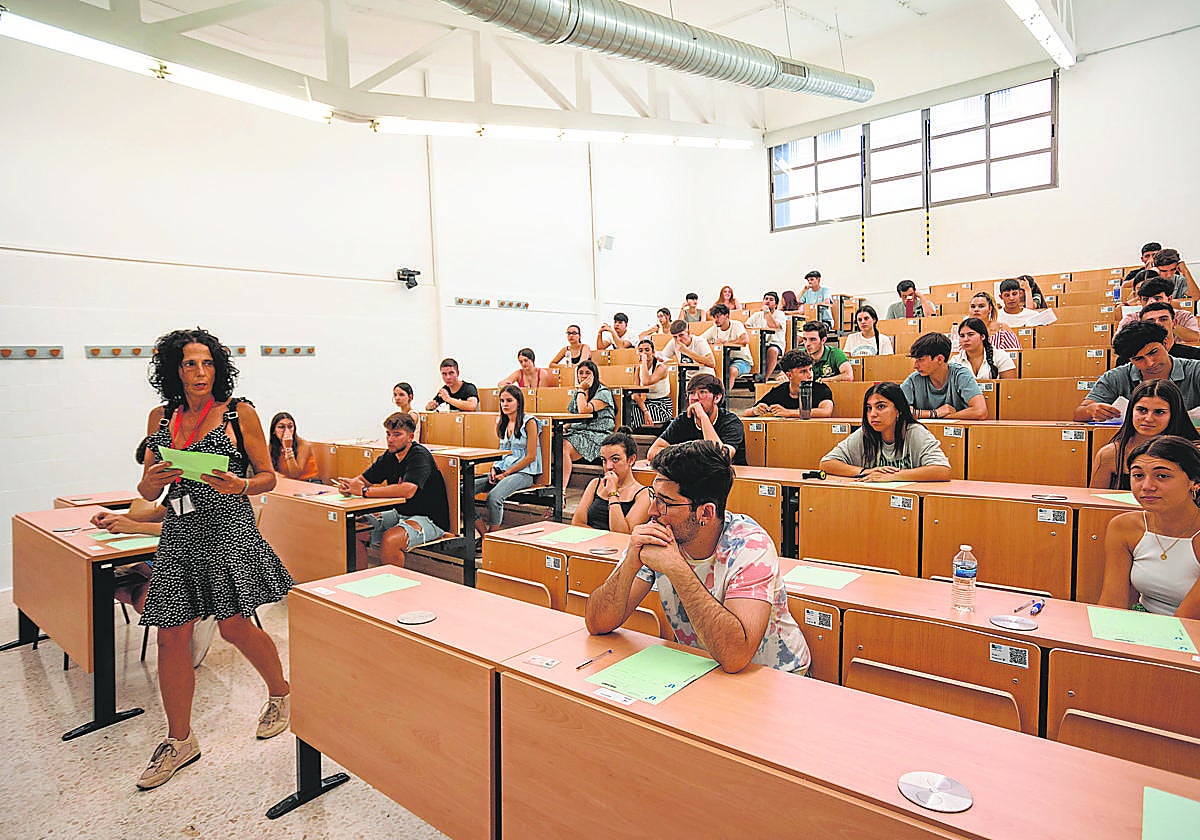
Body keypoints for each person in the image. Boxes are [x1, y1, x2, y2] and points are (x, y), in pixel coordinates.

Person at [134, 328, 293, 790]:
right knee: (170, 637)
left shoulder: (239, 413)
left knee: (234, 626)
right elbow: (147, 489)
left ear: (218, 367)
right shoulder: (161, 417)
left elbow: (268, 477)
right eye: (189, 364)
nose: (199, 373)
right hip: (181, 531)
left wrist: (240, 484)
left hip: (226, 526)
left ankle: (281, 692)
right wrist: (152, 480)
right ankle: (179, 739)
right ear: (174, 370)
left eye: (206, 363)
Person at [584, 440, 810, 674]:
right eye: (654, 496)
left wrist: (677, 569)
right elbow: (597, 623)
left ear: (706, 512)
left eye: (665, 502)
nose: (652, 510)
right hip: (707, 668)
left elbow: (736, 656)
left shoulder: (750, 547)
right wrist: (631, 562)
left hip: (776, 675)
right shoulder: (660, 533)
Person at [1099, 436, 1200, 619]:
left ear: (1194, 482)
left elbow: (1186, 621)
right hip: (1146, 627)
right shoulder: (1124, 527)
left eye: (1162, 476)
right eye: (1138, 475)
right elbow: (1112, 604)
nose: (1146, 486)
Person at [337, 412, 450, 568]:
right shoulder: (390, 456)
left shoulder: (419, 456)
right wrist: (349, 486)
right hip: (400, 512)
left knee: (390, 540)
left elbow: (408, 490)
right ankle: (359, 579)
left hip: (430, 518)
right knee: (355, 530)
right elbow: (364, 479)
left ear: (410, 437)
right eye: (388, 434)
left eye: (397, 434)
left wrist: (364, 491)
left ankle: (394, 588)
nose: (390, 439)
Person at [820, 382, 952, 482]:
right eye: (869, 408)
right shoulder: (865, 433)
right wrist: (864, 471)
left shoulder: (915, 432)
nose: (872, 414)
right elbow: (827, 463)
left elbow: (942, 470)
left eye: (881, 406)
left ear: (898, 410)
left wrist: (894, 476)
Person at [1075, 321, 1200, 422]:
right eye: (1138, 359)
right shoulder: (1115, 377)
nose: (1150, 362)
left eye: (1153, 352)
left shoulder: (1196, 370)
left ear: (1166, 344)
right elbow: (1079, 414)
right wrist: (1091, 410)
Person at [1089, 381, 1199, 490]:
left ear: (1174, 415)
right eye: (1142, 410)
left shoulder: (1193, 453)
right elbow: (1095, 503)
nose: (1148, 418)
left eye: (1159, 412)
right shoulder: (1110, 454)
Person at [473, 386, 542, 536]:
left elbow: (531, 456)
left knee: (494, 497)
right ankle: (484, 535)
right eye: (502, 401)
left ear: (519, 402)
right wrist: (494, 469)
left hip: (524, 473)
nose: (505, 404)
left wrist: (506, 474)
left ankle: (493, 536)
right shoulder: (503, 423)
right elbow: (502, 454)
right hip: (503, 471)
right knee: (462, 491)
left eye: (509, 400)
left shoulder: (529, 422)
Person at [648, 373, 746, 465]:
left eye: (702, 392)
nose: (694, 398)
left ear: (717, 398)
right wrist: (688, 457)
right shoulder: (684, 419)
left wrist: (703, 417)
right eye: (691, 393)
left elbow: (721, 457)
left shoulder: (731, 422)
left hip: (728, 477)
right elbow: (653, 453)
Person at [572, 428, 652, 533]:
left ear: (631, 460)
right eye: (604, 460)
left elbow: (621, 534)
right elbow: (577, 523)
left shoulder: (643, 494)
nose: (608, 467)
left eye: (615, 459)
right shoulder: (595, 484)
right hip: (590, 545)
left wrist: (612, 494)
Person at [901, 332, 988, 420]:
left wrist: (946, 417)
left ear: (939, 359)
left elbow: (980, 411)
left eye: (920, 360)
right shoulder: (914, 379)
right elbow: (898, 411)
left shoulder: (960, 374)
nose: (915, 366)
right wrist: (935, 413)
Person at [562, 361, 616, 490]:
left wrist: (582, 389)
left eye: (588, 373)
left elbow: (583, 410)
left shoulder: (603, 392)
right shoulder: (579, 393)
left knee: (563, 446)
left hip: (598, 434)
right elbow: (573, 414)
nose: (584, 376)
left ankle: (561, 491)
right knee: (550, 444)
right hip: (579, 432)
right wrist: (565, 427)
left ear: (594, 375)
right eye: (581, 373)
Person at [745, 350, 833, 418]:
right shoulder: (779, 391)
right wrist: (755, 410)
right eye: (803, 371)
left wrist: (788, 412)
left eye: (810, 369)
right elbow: (746, 412)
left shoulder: (821, 389)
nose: (810, 375)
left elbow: (826, 411)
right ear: (789, 375)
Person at [1116, 277, 1200, 343]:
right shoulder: (1131, 318)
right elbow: (1116, 341)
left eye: (1157, 298)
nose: (1151, 303)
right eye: (1145, 299)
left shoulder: (1184, 316)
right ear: (1140, 301)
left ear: (1169, 299)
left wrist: (1168, 323)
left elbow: (1195, 338)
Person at [1121, 302, 1200, 364]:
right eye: (1150, 321)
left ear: (1174, 323)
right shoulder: (1129, 358)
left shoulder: (1195, 356)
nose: (1158, 323)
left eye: (1163, 319)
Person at [952, 317, 1016, 380]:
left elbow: (1009, 387)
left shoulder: (1000, 356)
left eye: (970, 334)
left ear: (982, 336)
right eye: (962, 336)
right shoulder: (955, 361)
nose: (965, 339)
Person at [701, 303, 753, 380]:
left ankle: (726, 392)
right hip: (724, 361)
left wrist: (725, 343)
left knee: (731, 370)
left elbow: (744, 340)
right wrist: (712, 341)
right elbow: (700, 340)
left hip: (742, 360)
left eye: (718, 317)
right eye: (714, 317)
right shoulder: (714, 328)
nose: (715, 320)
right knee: (709, 370)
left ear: (727, 316)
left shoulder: (737, 325)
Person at [745, 291, 787, 380]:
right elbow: (747, 325)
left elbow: (773, 325)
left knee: (772, 351)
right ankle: (754, 374)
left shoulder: (780, 314)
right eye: (766, 299)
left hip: (775, 343)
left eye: (771, 300)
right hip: (760, 343)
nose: (767, 301)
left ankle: (765, 378)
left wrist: (767, 312)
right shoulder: (757, 315)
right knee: (750, 348)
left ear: (776, 304)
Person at [631, 338, 672, 427]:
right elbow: (635, 393)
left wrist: (644, 361)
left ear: (653, 353)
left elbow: (646, 381)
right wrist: (645, 411)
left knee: (634, 414)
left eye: (647, 350)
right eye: (640, 350)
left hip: (662, 405)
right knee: (626, 410)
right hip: (646, 404)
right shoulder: (638, 368)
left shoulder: (661, 368)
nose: (644, 353)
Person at [268, 412, 319, 481]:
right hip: (286, 482)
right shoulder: (270, 447)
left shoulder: (304, 445)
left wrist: (288, 449)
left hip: (308, 482)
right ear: (274, 431)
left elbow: (295, 474)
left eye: (290, 426)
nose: (286, 431)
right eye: (281, 427)